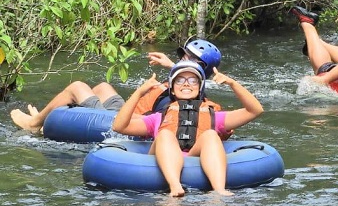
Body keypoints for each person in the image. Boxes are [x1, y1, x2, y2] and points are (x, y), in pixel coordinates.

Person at [111, 60, 264, 197]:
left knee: (211, 134)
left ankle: (218, 190)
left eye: (192, 80)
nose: (186, 84)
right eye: (180, 80)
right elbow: (119, 126)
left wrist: (232, 84)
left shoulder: (214, 116)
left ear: (200, 88)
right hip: (161, 159)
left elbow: (255, 110)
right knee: (165, 134)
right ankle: (175, 186)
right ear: (171, 88)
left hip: (193, 155)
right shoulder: (157, 117)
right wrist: (139, 92)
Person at [10, 37, 222, 134]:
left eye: (188, 60)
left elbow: (163, 120)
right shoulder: (182, 81)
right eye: (182, 57)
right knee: (102, 86)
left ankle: (35, 123)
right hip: (126, 111)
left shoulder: (188, 99)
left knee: (77, 86)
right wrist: (171, 65)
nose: (182, 62)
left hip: (127, 121)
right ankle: (55, 118)